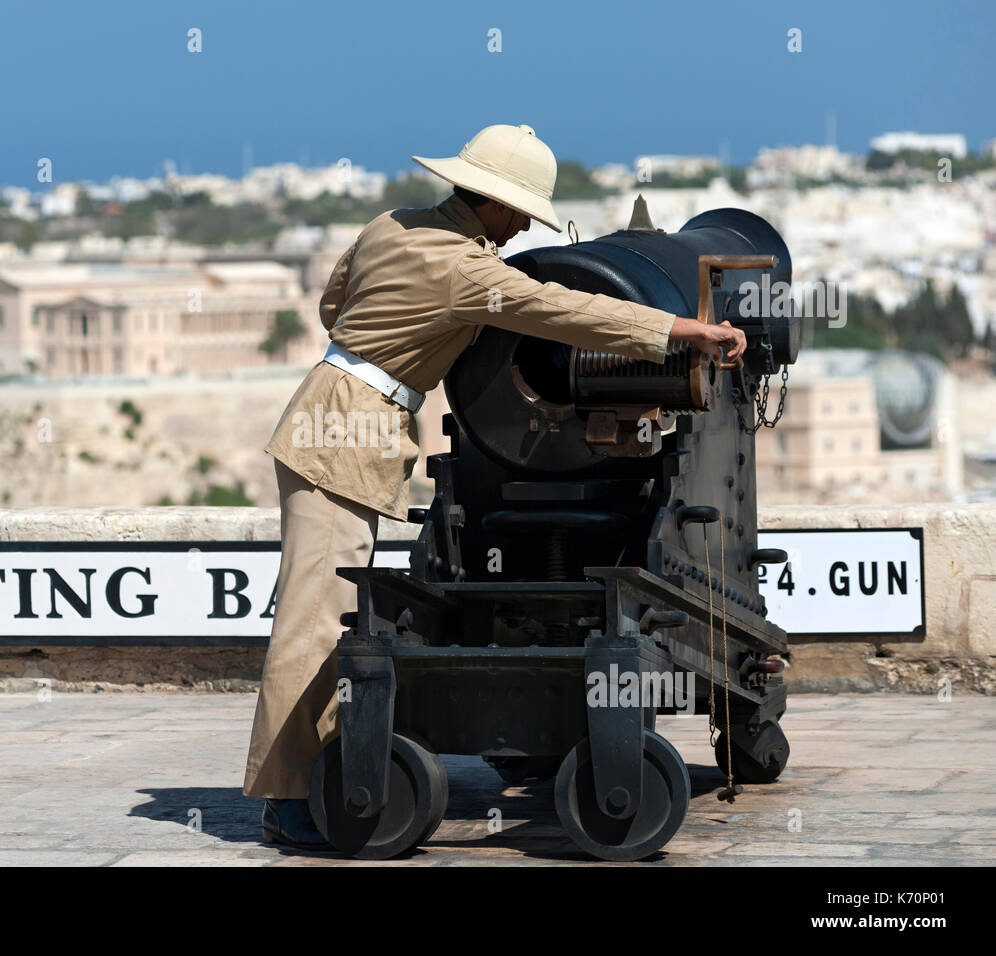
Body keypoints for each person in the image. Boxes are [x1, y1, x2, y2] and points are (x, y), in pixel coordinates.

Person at [244, 124, 746, 848]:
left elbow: (334, 303)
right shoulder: (466, 271)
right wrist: (684, 332)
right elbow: (567, 309)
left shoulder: (392, 226)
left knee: (324, 609)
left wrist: (393, 341)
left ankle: (312, 778)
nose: (518, 231)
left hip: (328, 407)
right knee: (314, 618)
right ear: (496, 205)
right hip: (349, 429)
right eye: (518, 215)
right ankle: (288, 798)